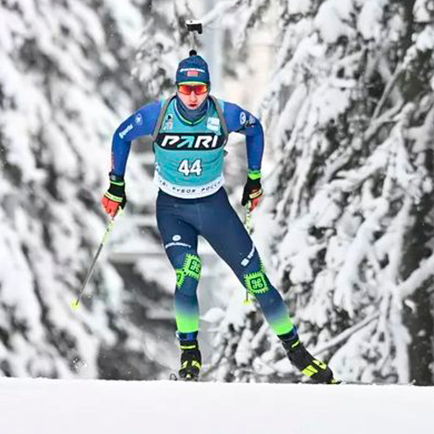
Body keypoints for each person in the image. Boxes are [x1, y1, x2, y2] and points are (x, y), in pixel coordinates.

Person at [101, 50, 337, 384]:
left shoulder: (224, 113)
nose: (193, 97)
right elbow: (122, 135)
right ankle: (190, 354)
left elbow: (255, 129)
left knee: (256, 281)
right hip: (173, 210)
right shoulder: (159, 114)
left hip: (215, 209)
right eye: (186, 90)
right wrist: (116, 185)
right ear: (177, 89)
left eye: (199, 90)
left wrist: (254, 179)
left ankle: (298, 352)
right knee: (189, 271)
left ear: (208, 89)